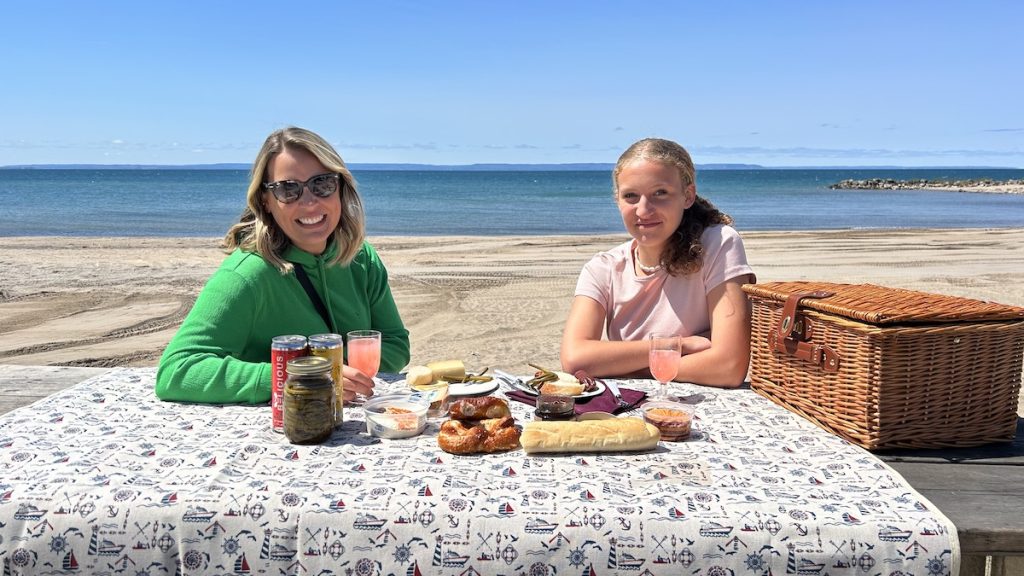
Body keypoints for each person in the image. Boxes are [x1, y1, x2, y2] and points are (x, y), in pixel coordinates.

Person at [156, 127, 410, 404]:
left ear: (341, 188)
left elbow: (396, 344)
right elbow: (176, 372)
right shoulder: (246, 275)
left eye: (322, 183)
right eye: (289, 189)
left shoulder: (361, 259)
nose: (310, 201)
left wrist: (338, 372)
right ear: (265, 200)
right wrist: (300, 376)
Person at [560, 138, 755, 388]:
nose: (643, 210)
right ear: (618, 200)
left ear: (687, 196)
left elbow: (729, 367)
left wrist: (625, 369)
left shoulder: (718, 244)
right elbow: (575, 359)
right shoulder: (603, 268)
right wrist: (680, 346)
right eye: (631, 196)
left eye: (660, 193)